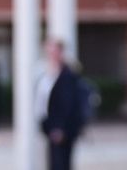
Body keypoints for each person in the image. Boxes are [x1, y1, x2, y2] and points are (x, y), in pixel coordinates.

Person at [37, 37, 86, 170]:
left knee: (62, 164)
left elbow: (68, 103)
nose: (51, 54)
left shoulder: (68, 74)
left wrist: (60, 128)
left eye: (54, 50)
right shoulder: (45, 73)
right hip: (49, 125)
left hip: (62, 129)